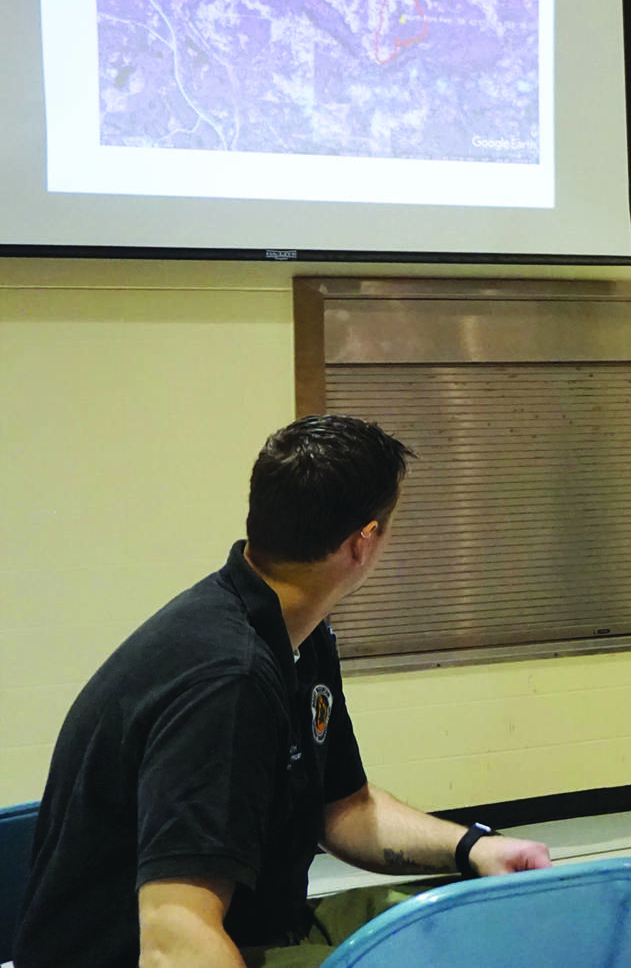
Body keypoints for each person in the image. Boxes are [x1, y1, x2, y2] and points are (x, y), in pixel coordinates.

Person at [15, 415, 552, 968]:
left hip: (268, 925)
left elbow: (345, 810)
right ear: (362, 542)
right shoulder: (229, 682)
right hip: (153, 954)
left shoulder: (298, 631)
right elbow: (173, 939)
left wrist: (475, 847)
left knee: (487, 921)